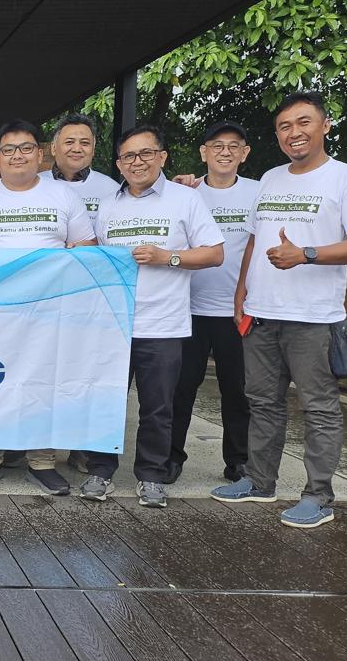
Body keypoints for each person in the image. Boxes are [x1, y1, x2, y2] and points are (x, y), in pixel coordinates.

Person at [212, 91, 347, 528]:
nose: (294, 133)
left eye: (304, 122)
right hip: (261, 313)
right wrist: (241, 296)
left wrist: (305, 254)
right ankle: (259, 481)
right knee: (262, 403)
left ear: (325, 125)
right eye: (285, 126)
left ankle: (318, 496)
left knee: (318, 408)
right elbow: (254, 240)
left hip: (314, 319)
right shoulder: (270, 178)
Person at [86, 124, 224, 508]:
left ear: (162, 157)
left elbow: (215, 253)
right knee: (106, 403)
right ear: (118, 164)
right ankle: (99, 472)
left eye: (146, 153)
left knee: (158, 407)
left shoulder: (186, 199)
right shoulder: (109, 205)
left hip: (163, 325)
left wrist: (168, 257)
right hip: (114, 324)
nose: (137, 162)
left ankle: (151, 476)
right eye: (128, 156)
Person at [0, 119, 96, 495]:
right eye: (8, 150)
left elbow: (87, 247)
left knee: (43, 383)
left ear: (40, 154)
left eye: (25, 148)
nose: (17, 155)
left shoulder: (64, 196)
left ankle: (42, 461)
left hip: (49, 310)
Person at [168, 121, 259, 485]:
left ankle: (238, 461)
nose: (225, 152)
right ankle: (171, 458)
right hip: (187, 308)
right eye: (217, 145)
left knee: (237, 391)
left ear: (244, 153)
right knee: (180, 388)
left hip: (236, 311)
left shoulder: (258, 192)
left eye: (233, 146)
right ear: (203, 152)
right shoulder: (185, 193)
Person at [40, 113, 121, 475]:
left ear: (94, 148)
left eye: (84, 142)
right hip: (44, 298)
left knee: (84, 375)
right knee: (40, 372)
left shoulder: (111, 188)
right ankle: (26, 443)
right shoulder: (34, 183)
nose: (76, 148)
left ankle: (81, 447)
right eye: (69, 141)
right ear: (53, 147)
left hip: (92, 299)